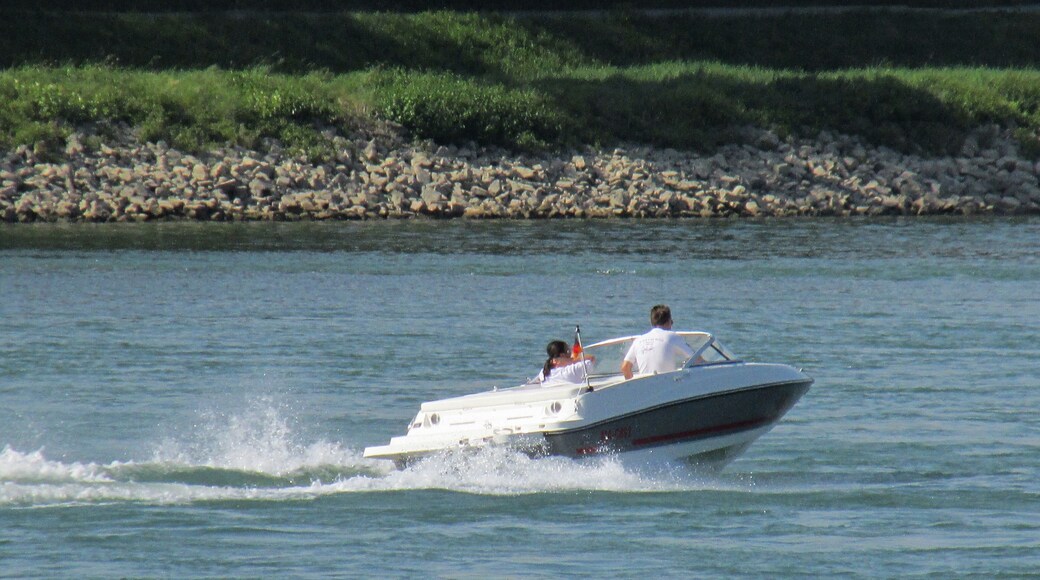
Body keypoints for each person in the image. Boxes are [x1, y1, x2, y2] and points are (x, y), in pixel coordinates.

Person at [620, 304, 695, 379]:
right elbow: (696, 359)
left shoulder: (638, 341)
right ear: (668, 321)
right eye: (671, 321)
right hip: (667, 385)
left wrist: (634, 386)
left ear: (651, 322)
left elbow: (625, 367)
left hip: (644, 386)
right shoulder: (672, 336)